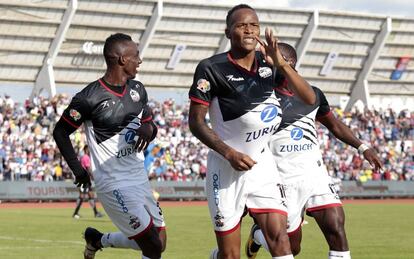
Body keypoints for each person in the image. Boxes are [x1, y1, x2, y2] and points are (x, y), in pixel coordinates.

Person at [188, 4, 315, 259]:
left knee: (281, 242)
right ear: (228, 32)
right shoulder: (211, 68)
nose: (249, 30)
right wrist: (229, 153)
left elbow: (309, 98)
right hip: (226, 168)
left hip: (262, 164)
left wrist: (283, 65)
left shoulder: (269, 64)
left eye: (254, 25)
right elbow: (196, 123)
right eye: (241, 25)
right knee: (230, 256)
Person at [245, 43, 383, 259]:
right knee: (292, 247)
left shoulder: (313, 94)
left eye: (272, 58)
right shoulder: (263, 95)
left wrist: (363, 147)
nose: (267, 63)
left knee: (336, 227)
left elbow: (335, 125)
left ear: (289, 63)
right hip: (283, 179)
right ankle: (258, 236)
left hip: (315, 175)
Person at [53, 33, 166, 259]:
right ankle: (99, 239)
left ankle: (98, 240)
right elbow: (60, 132)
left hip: (138, 177)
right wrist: (78, 169)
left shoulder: (138, 89)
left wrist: (149, 129)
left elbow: (148, 124)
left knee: (159, 242)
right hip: (113, 183)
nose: (140, 61)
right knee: (152, 246)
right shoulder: (88, 98)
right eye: (136, 56)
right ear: (122, 59)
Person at [72, 145, 104, 219]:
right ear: (86, 149)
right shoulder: (86, 157)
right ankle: (75, 213)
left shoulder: (85, 157)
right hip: (84, 179)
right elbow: (88, 168)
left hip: (86, 179)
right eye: (89, 149)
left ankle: (96, 213)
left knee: (90, 195)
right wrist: (93, 176)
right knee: (82, 196)